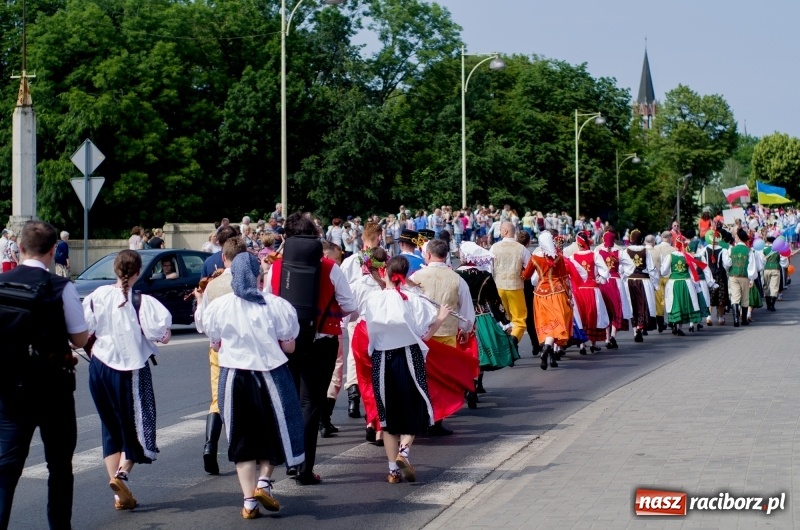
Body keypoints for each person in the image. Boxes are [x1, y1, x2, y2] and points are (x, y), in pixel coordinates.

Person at [0, 221, 89, 529]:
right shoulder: (61, 287)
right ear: (53, 251)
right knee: (60, 468)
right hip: (54, 392)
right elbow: (79, 339)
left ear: (20, 248)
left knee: (5, 470)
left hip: (10, 390)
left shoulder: (1, 283)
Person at [201, 253, 304, 519]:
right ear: (260, 276)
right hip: (271, 376)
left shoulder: (220, 306)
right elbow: (289, 345)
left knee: (242, 438)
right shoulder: (277, 305)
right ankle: (264, 483)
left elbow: (214, 343)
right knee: (273, 432)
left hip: (235, 377)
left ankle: (249, 503)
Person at [266, 213, 356, 485]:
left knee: (289, 400)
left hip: (288, 343)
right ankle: (305, 469)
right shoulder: (331, 267)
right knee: (311, 404)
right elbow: (350, 306)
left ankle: (288, 459)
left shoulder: (277, 269)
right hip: (323, 341)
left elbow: (270, 305)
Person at [82, 250, 172, 511]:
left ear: (115, 269)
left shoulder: (97, 296)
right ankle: (121, 476)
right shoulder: (142, 301)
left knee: (110, 428)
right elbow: (161, 334)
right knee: (139, 426)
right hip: (130, 369)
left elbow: (83, 328)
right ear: (138, 273)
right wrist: (162, 335)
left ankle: (119, 495)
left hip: (99, 368)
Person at [364, 256, 451, 483]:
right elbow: (425, 335)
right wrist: (441, 316)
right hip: (409, 356)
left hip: (382, 358)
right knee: (415, 405)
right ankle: (404, 452)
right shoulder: (414, 300)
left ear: (385, 273)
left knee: (388, 414)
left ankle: (393, 470)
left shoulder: (373, 300)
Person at [194, 237, 248, 475]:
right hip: (245, 348)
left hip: (219, 348)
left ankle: (209, 445)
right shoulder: (249, 280)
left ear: (223, 258)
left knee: (218, 398)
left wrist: (198, 301)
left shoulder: (212, 286)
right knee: (245, 400)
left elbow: (201, 323)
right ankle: (242, 449)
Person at [456, 242, 516, 405]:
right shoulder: (485, 277)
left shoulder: (455, 275)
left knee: (465, 352)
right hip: (482, 316)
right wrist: (505, 322)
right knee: (480, 354)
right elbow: (495, 301)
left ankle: (468, 385)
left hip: (461, 318)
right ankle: (476, 384)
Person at [529, 230, 574, 369]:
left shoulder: (535, 257)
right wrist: (569, 294)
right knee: (558, 322)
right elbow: (563, 276)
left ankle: (549, 352)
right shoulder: (559, 257)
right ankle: (550, 349)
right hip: (557, 292)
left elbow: (526, 276)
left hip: (540, 294)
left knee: (548, 323)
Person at [567, 231, 610, 354]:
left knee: (582, 316)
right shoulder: (594, 255)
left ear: (578, 243)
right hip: (592, 289)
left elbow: (569, 275)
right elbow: (605, 271)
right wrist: (600, 279)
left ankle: (582, 345)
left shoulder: (573, 257)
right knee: (593, 315)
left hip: (579, 291)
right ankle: (593, 343)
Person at [489, 222, 530, 345]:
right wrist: (523, 276)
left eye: (501, 229)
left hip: (498, 287)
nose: (500, 231)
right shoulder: (521, 248)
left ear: (505, 231)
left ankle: (505, 343)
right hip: (515, 287)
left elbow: (489, 269)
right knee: (519, 319)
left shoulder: (494, 247)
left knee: (503, 318)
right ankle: (513, 341)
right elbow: (530, 267)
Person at [595, 230, 634, 349]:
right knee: (617, 309)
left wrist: (597, 276)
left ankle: (606, 338)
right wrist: (624, 274)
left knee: (606, 309)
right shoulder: (619, 252)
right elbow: (631, 265)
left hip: (604, 282)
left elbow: (595, 267)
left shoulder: (598, 252)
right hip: (616, 281)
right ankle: (612, 335)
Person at [625, 230, 658, 341]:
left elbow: (622, 268)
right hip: (643, 280)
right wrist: (655, 284)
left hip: (629, 280)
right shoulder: (645, 251)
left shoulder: (626, 251)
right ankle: (640, 326)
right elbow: (651, 268)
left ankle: (635, 330)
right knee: (642, 305)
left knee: (632, 305)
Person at [725, 228, 758, 327]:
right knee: (744, 297)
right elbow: (751, 266)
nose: (735, 237)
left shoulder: (731, 249)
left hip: (733, 275)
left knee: (735, 297)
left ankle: (735, 320)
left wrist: (729, 269)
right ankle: (743, 319)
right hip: (744, 276)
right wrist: (751, 279)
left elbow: (727, 263)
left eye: (736, 236)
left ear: (739, 238)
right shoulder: (749, 251)